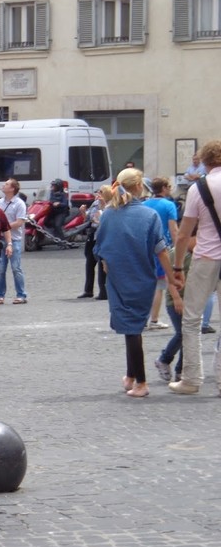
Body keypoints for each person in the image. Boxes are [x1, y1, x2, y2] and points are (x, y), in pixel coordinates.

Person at [94, 168, 171, 398]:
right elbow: (161, 250)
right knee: (133, 328)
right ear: (139, 187)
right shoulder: (149, 216)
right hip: (142, 277)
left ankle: (141, 382)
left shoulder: (108, 214)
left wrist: (107, 263)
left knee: (131, 329)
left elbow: (100, 247)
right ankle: (132, 378)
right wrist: (173, 275)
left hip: (118, 278)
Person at [169, 139, 221, 396]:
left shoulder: (198, 187)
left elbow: (183, 234)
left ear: (205, 161)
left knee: (191, 319)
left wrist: (178, 267)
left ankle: (191, 378)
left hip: (206, 257)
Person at [154, 234, 195, 383]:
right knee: (182, 333)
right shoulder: (176, 253)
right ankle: (164, 359)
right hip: (175, 302)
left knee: (190, 335)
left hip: (191, 300)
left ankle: (180, 370)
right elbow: (169, 277)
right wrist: (176, 298)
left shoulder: (196, 253)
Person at [144, 177, 180, 330]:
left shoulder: (144, 204)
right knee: (159, 285)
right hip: (162, 247)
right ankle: (154, 319)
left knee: (147, 284)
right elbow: (173, 229)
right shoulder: (169, 205)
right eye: (169, 186)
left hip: (146, 247)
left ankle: (143, 318)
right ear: (164, 188)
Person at [0, 178, 28, 304]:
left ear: (12, 189)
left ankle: (21, 294)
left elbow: (19, 222)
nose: (4, 185)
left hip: (15, 240)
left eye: (7, 184)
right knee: (0, 269)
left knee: (16, 268)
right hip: (1, 239)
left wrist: (5, 227)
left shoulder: (19, 203)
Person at [78, 185, 111, 299]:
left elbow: (105, 220)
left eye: (101, 192)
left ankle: (103, 292)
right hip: (92, 234)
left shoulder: (110, 205)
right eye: (98, 192)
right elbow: (88, 218)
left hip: (101, 236)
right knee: (90, 262)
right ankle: (88, 290)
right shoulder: (95, 203)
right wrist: (83, 212)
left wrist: (102, 208)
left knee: (102, 263)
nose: (98, 194)